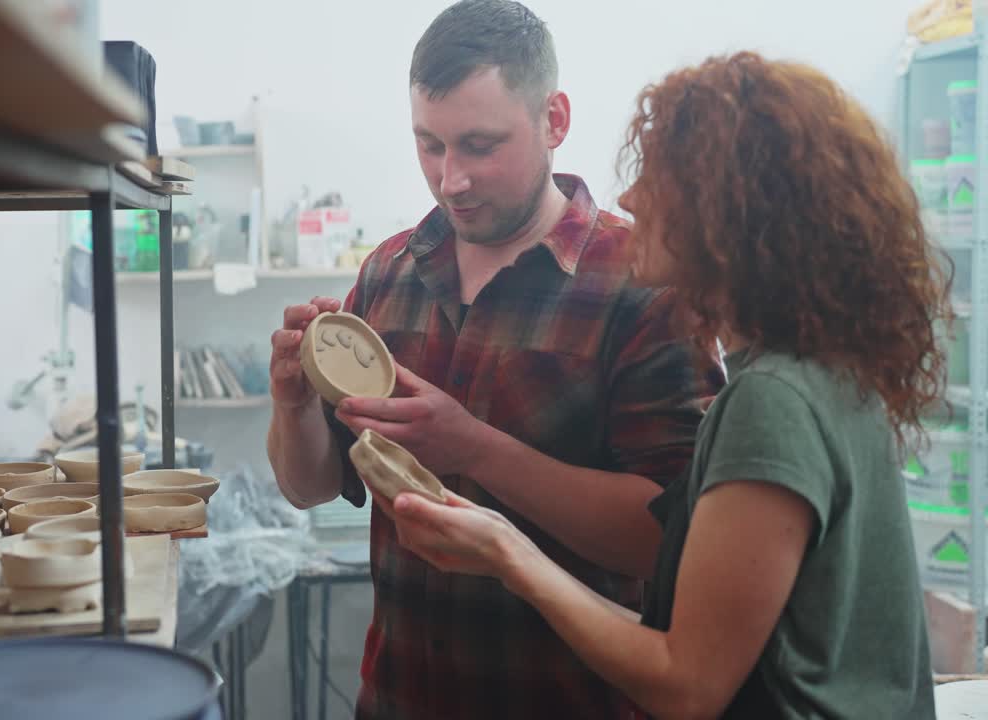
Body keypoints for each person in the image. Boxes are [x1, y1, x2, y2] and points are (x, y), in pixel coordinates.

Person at [386, 52, 946, 719]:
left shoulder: (773, 402)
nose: (629, 197)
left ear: (732, 211)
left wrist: (509, 552)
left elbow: (687, 685)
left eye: (659, 178)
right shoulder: (827, 372)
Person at [267, 1, 723, 716]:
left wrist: (475, 449)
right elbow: (309, 487)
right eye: (430, 145)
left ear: (555, 121)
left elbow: (674, 540)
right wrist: (292, 404)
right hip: (399, 696)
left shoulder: (644, 284)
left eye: (480, 145)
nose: (451, 180)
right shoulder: (388, 272)